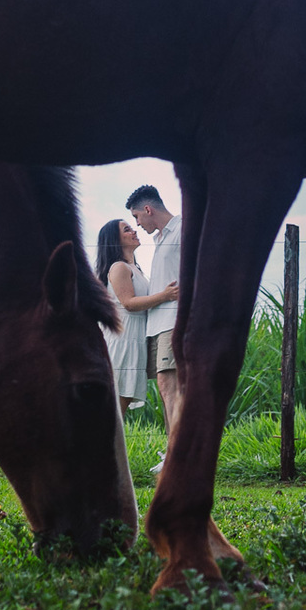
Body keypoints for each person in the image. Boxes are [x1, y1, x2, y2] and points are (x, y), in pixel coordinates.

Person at [95, 218, 178, 419]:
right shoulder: (119, 267)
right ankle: (105, 448)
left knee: (120, 403)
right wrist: (165, 295)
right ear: (115, 239)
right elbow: (129, 303)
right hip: (123, 341)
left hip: (134, 339)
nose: (134, 231)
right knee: (115, 404)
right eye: (127, 229)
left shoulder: (135, 269)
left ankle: (109, 448)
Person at [125, 185, 181, 443]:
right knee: (165, 389)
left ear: (147, 209)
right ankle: (173, 453)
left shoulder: (183, 229)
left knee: (171, 388)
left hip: (174, 320)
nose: (137, 223)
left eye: (137, 217)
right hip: (156, 325)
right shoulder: (160, 239)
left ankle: (180, 456)